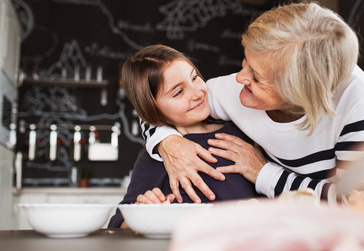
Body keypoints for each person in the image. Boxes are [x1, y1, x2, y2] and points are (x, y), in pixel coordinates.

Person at [142, 2, 364, 205]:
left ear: (301, 92)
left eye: (256, 76)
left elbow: (358, 200)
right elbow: (151, 108)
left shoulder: (355, 94)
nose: (239, 78)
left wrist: (263, 172)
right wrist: (169, 142)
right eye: (244, 62)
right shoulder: (232, 90)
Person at [108, 45, 261, 228]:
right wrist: (142, 213)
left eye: (195, 77)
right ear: (153, 109)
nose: (198, 93)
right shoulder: (156, 158)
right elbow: (118, 224)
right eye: (178, 92)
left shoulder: (243, 133)